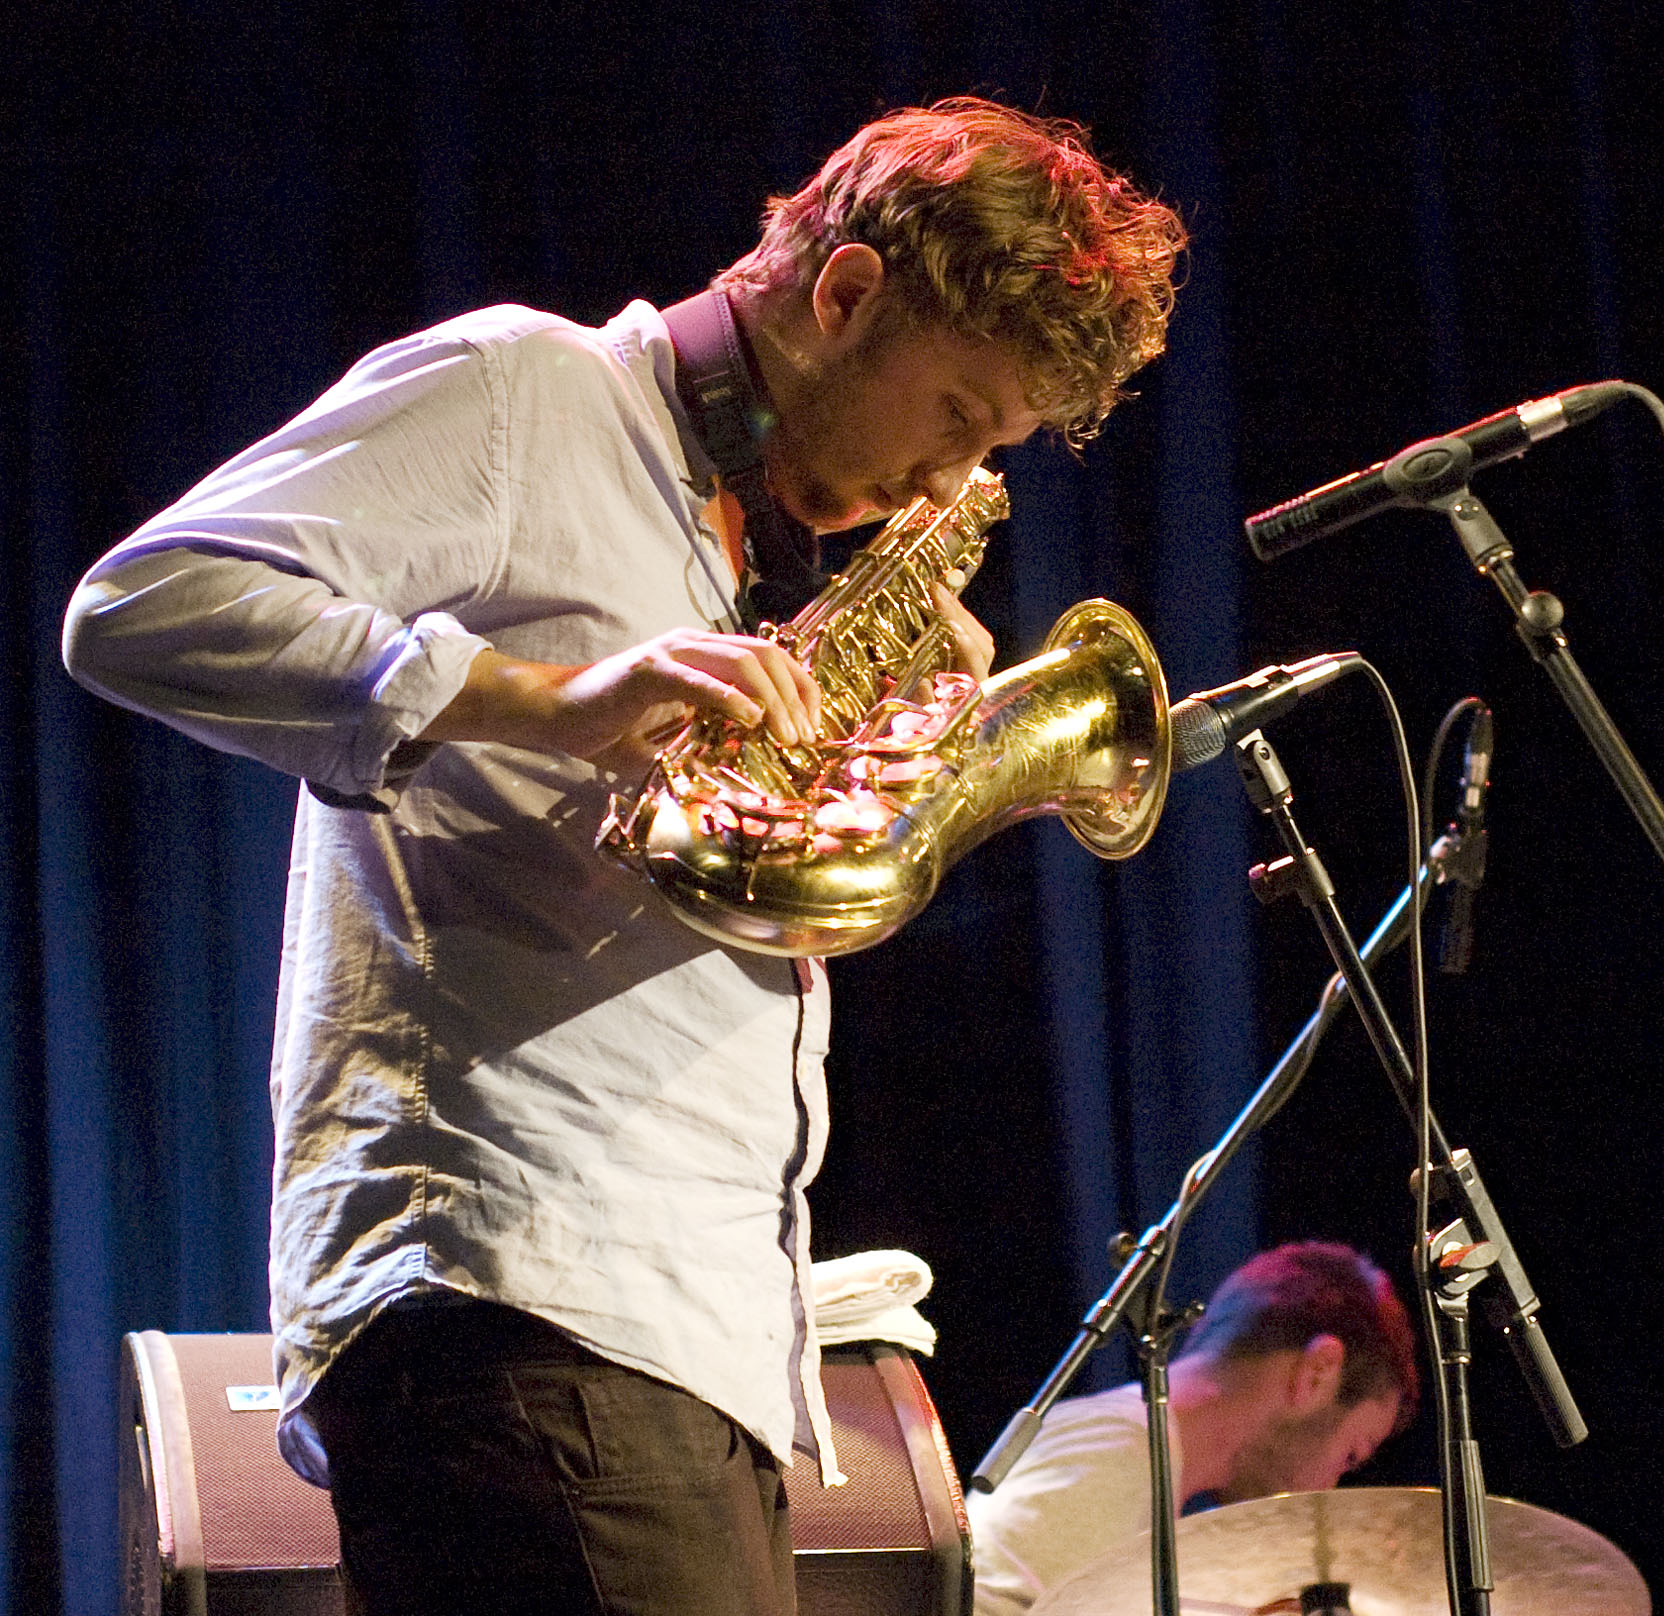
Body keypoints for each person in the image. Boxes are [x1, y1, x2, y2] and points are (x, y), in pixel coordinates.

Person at [63, 100, 1185, 1616]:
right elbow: (143, 606)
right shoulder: (528, 390)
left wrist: (899, 779)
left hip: (676, 1334)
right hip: (520, 1305)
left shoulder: (744, 549)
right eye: (955, 418)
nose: (943, 486)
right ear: (845, 293)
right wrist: (546, 698)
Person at [967, 1242, 1419, 1615]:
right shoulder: (1118, 1446)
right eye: (1350, 1455)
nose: (1331, 1485)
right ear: (1317, 1375)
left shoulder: (1138, 1455)